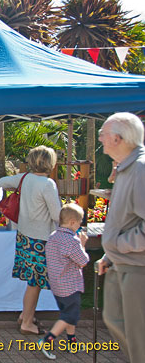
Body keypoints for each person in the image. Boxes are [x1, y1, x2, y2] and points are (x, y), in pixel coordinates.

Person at [96, 112, 145, 362]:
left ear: (118, 138)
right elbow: (128, 220)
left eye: (103, 133)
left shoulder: (140, 169)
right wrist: (110, 253)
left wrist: (118, 245)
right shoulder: (128, 168)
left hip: (137, 268)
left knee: (138, 337)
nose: (100, 138)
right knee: (115, 320)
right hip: (122, 263)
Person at [0, 145, 61, 335]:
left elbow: (0, 182)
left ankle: (26, 315)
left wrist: (14, 186)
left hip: (24, 236)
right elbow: (57, 214)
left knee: (32, 282)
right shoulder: (48, 184)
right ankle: (26, 322)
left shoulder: (23, 179)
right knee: (35, 283)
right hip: (41, 239)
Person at [39, 203, 89, 360]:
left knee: (67, 313)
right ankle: (47, 340)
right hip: (70, 285)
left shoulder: (53, 236)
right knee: (70, 315)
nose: (80, 226)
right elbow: (83, 261)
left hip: (57, 284)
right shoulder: (72, 241)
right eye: (80, 222)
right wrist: (83, 245)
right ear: (73, 222)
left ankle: (72, 343)